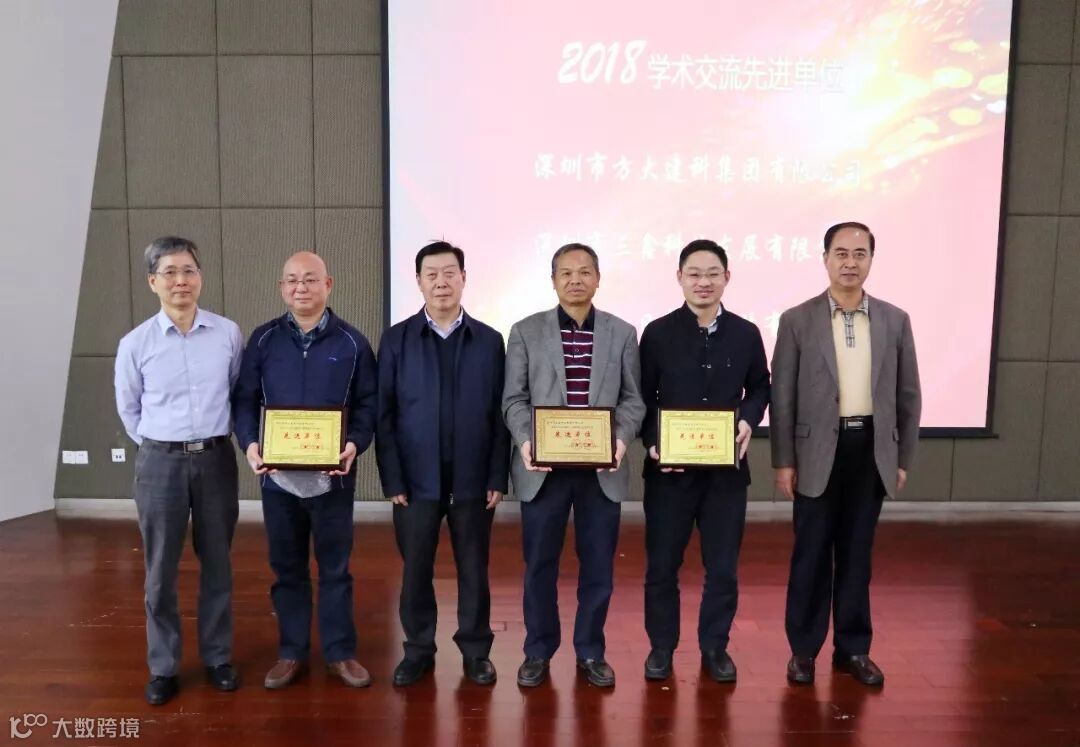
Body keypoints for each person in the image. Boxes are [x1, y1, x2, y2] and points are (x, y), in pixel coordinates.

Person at [771, 222, 921, 687]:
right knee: (811, 555)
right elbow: (783, 396)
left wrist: (901, 458)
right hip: (816, 451)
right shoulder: (797, 319)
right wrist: (784, 460)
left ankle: (853, 649)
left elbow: (908, 394)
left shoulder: (895, 319)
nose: (850, 263)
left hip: (870, 449)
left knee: (858, 556)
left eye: (860, 254)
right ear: (825, 259)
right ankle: (803, 651)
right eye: (841, 253)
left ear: (871, 260)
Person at [503, 243, 645, 688]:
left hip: (601, 470)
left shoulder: (623, 333)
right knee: (539, 566)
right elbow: (514, 399)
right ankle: (537, 651)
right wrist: (527, 441)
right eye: (566, 273)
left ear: (598, 279)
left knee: (598, 566)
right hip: (542, 471)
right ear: (553, 281)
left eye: (585, 272)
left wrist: (620, 440)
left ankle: (590, 651)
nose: (575, 280)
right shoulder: (525, 332)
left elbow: (633, 399)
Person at [233, 251, 377, 690]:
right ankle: (291, 652)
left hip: (333, 479)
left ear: (328, 285)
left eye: (311, 279)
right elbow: (244, 400)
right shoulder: (263, 340)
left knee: (336, 569)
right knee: (288, 570)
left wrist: (355, 443)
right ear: (282, 288)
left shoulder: (352, 342)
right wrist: (250, 443)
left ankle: (340, 653)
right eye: (292, 280)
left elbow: (369, 404)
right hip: (277, 481)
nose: (301, 287)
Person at [114, 236, 244, 705]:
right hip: (160, 464)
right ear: (153, 282)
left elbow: (236, 392)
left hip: (215, 460)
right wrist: (162, 447)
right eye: (169, 272)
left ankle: (218, 657)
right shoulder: (135, 344)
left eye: (188, 270)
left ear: (200, 277)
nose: (180, 280)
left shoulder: (227, 334)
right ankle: (163, 666)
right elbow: (129, 409)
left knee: (218, 564)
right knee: (159, 570)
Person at [376, 240, 510, 687]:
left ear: (464, 278)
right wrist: (392, 478)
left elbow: (500, 415)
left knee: (474, 569)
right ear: (418, 282)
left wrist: (497, 474)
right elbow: (385, 415)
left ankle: (476, 651)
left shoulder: (489, 341)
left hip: (473, 478)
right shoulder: (397, 340)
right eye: (431, 274)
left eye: (449, 273)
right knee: (415, 570)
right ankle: (418, 650)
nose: (441, 282)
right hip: (414, 482)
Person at [638, 239, 770, 683]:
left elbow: (761, 387)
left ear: (727, 278)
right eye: (694, 274)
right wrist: (653, 442)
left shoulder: (746, 333)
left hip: (725, 476)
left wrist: (748, 419)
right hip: (669, 474)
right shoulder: (657, 333)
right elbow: (641, 397)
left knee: (723, 569)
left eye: (713, 273)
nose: (703, 282)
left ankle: (715, 647)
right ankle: (661, 646)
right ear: (679, 278)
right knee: (662, 567)